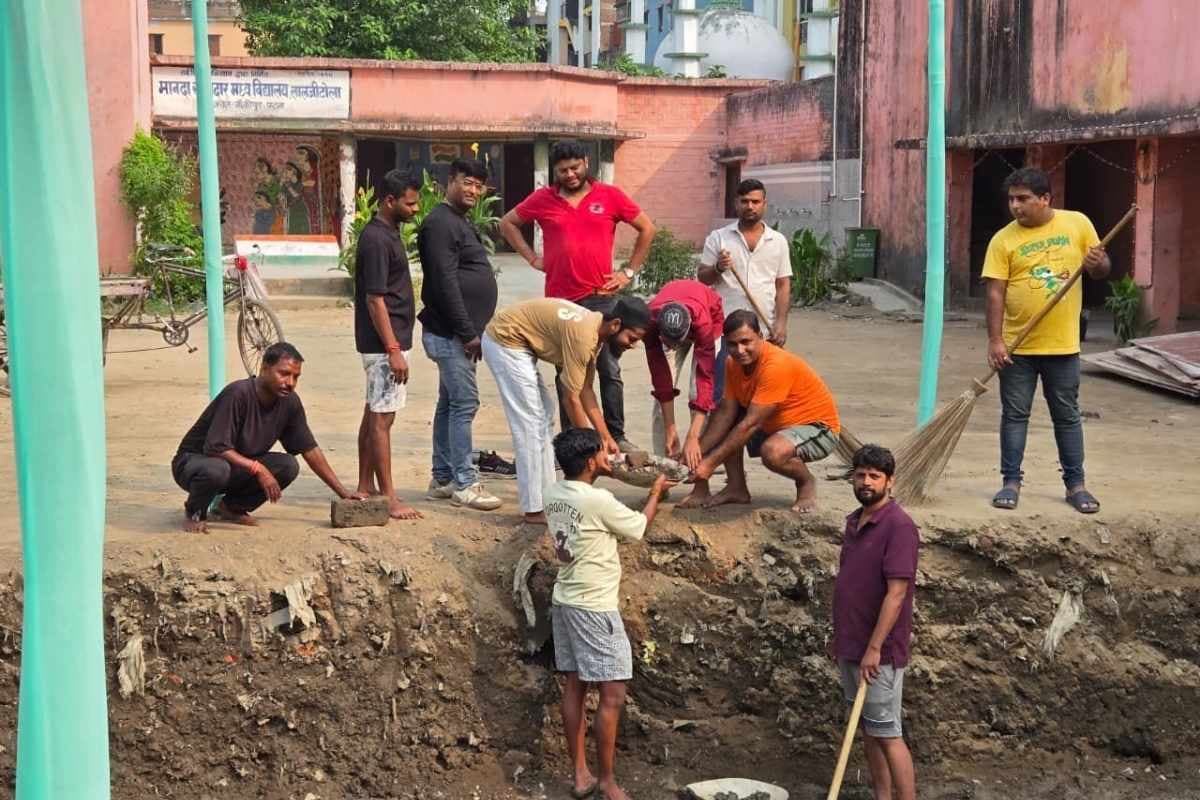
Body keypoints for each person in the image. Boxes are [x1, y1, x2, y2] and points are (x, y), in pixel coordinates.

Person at [498, 139, 656, 452]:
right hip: (561, 302)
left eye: (574, 167)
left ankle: (616, 436)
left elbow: (646, 228)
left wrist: (628, 272)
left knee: (608, 368)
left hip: (601, 297)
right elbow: (507, 223)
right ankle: (575, 441)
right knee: (567, 374)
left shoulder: (609, 196)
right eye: (562, 170)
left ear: (586, 162)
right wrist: (532, 257)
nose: (570, 175)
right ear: (554, 172)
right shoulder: (542, 199)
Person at [546, 428, 672, 800]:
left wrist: (610, 470)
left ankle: (581, 774)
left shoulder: (553, 492)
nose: (609, 458)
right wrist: (654, 494)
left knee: (574, 685)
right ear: (589, 462)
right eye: (603, 453)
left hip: (565, 601)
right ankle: (607, 781)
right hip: (594, 607)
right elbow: (637, 528)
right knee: (613, 693)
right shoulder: (597, 499)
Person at [982, 167, 1110, 514]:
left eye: (1023, 199)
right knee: (1014, 415)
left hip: (1063, 345)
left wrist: (1098, 262)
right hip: (1017, 348)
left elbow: (1101, 270)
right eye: (1011, 199)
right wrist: (996, 340)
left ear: (1045, 199)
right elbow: (996, 293)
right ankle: (1010, 482)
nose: (1015, 206)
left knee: (1067, 416)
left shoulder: (1077, 224)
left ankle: (1076, 485)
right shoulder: (1003, 240)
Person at [482, 296, 651, 526]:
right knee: (530, 423)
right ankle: (533, 510)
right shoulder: (583, 336)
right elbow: (571, 399)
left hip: (520, 342)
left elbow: (586, 391)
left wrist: (606, 437)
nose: (632, 345)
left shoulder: (596, 332)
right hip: (505, 340)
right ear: (615, 325)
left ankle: (550, 499)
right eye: (632, 338)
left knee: (544, 415)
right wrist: (595, 450)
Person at [171, 342, 364, 533]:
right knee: (216, 469)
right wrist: (259, 468)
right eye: (284, 374)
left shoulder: (290, 402)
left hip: (236, 466)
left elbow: (309, 449)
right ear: (264, 368)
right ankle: (195, 511)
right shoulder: (238, 393)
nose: (290, 383)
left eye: (295, 377)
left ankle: (231, 507)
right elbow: (216, 447)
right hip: (195, 463)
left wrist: (343, 492)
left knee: (288, 465)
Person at [680, 310, 840, 513]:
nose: (740, 350)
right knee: (725, 422)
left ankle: (805, 482)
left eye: (746, 342)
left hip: (818, 430)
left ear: (761, 337)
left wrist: (710, 464)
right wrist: (695, 454)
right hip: (773, 425)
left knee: (772, 452)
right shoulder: (732, 363)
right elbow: (725, 415)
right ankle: (736, 488)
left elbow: (750, 425)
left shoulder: (775, 365)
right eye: (732, 344)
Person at [831, 444, 918, 800]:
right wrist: (840, 638)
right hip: (851, 644)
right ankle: (882, 796)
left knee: (887, 732)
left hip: (877, 653)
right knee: (866, 729)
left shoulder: (899, 527)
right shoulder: (854, 521)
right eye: (861, 475)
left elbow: (896, 594)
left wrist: (874, 647)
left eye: (874, 476)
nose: (866, 482)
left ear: (890, 482)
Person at [418, 159, 502, 512]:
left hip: (454, 333)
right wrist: (468, 331)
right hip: (452, 334)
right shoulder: (440, 223)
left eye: (479, 186)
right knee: (465, 404)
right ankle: (465, 483)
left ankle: (442, 477)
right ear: (449, 181)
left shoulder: (456, 221)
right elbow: (444, 281)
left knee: (450, 403)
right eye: (467, 182)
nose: (473, 190)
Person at [354, 168, 423, 520]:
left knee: (373, 414)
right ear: (390, 201)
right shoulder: (377, 239)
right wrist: (393, 349)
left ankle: (366, 487)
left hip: (387, 342)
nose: (415, 209)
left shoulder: (387, 233)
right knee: (383, 419)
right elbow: (375, 299)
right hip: (384, 345)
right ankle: (389, 497)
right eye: (410, 204)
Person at [697, 178, 793, 402]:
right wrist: (719, 267)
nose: (750, 206)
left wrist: (781, 323)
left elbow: (783, 284)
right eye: (745, 201)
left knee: (763, 394)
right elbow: (703, 278)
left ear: (764, 204)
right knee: (723, 394)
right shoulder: (719, 238)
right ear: (736, 203)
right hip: (726, 333)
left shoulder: (778, 241)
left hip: (764, 331)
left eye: (755, 201)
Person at [643, 278, 725, 470]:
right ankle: (664, 464)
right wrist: (670, 428)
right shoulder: (649, 322)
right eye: (670, 342)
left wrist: (692, 436)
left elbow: (705, 378)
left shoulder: (702, 324)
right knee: (660, 403)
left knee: (697, 393)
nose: (675, 347)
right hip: (670, 323)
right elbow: (660, 377)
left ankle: (697, 459)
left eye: (677, 342)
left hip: (709, 317)